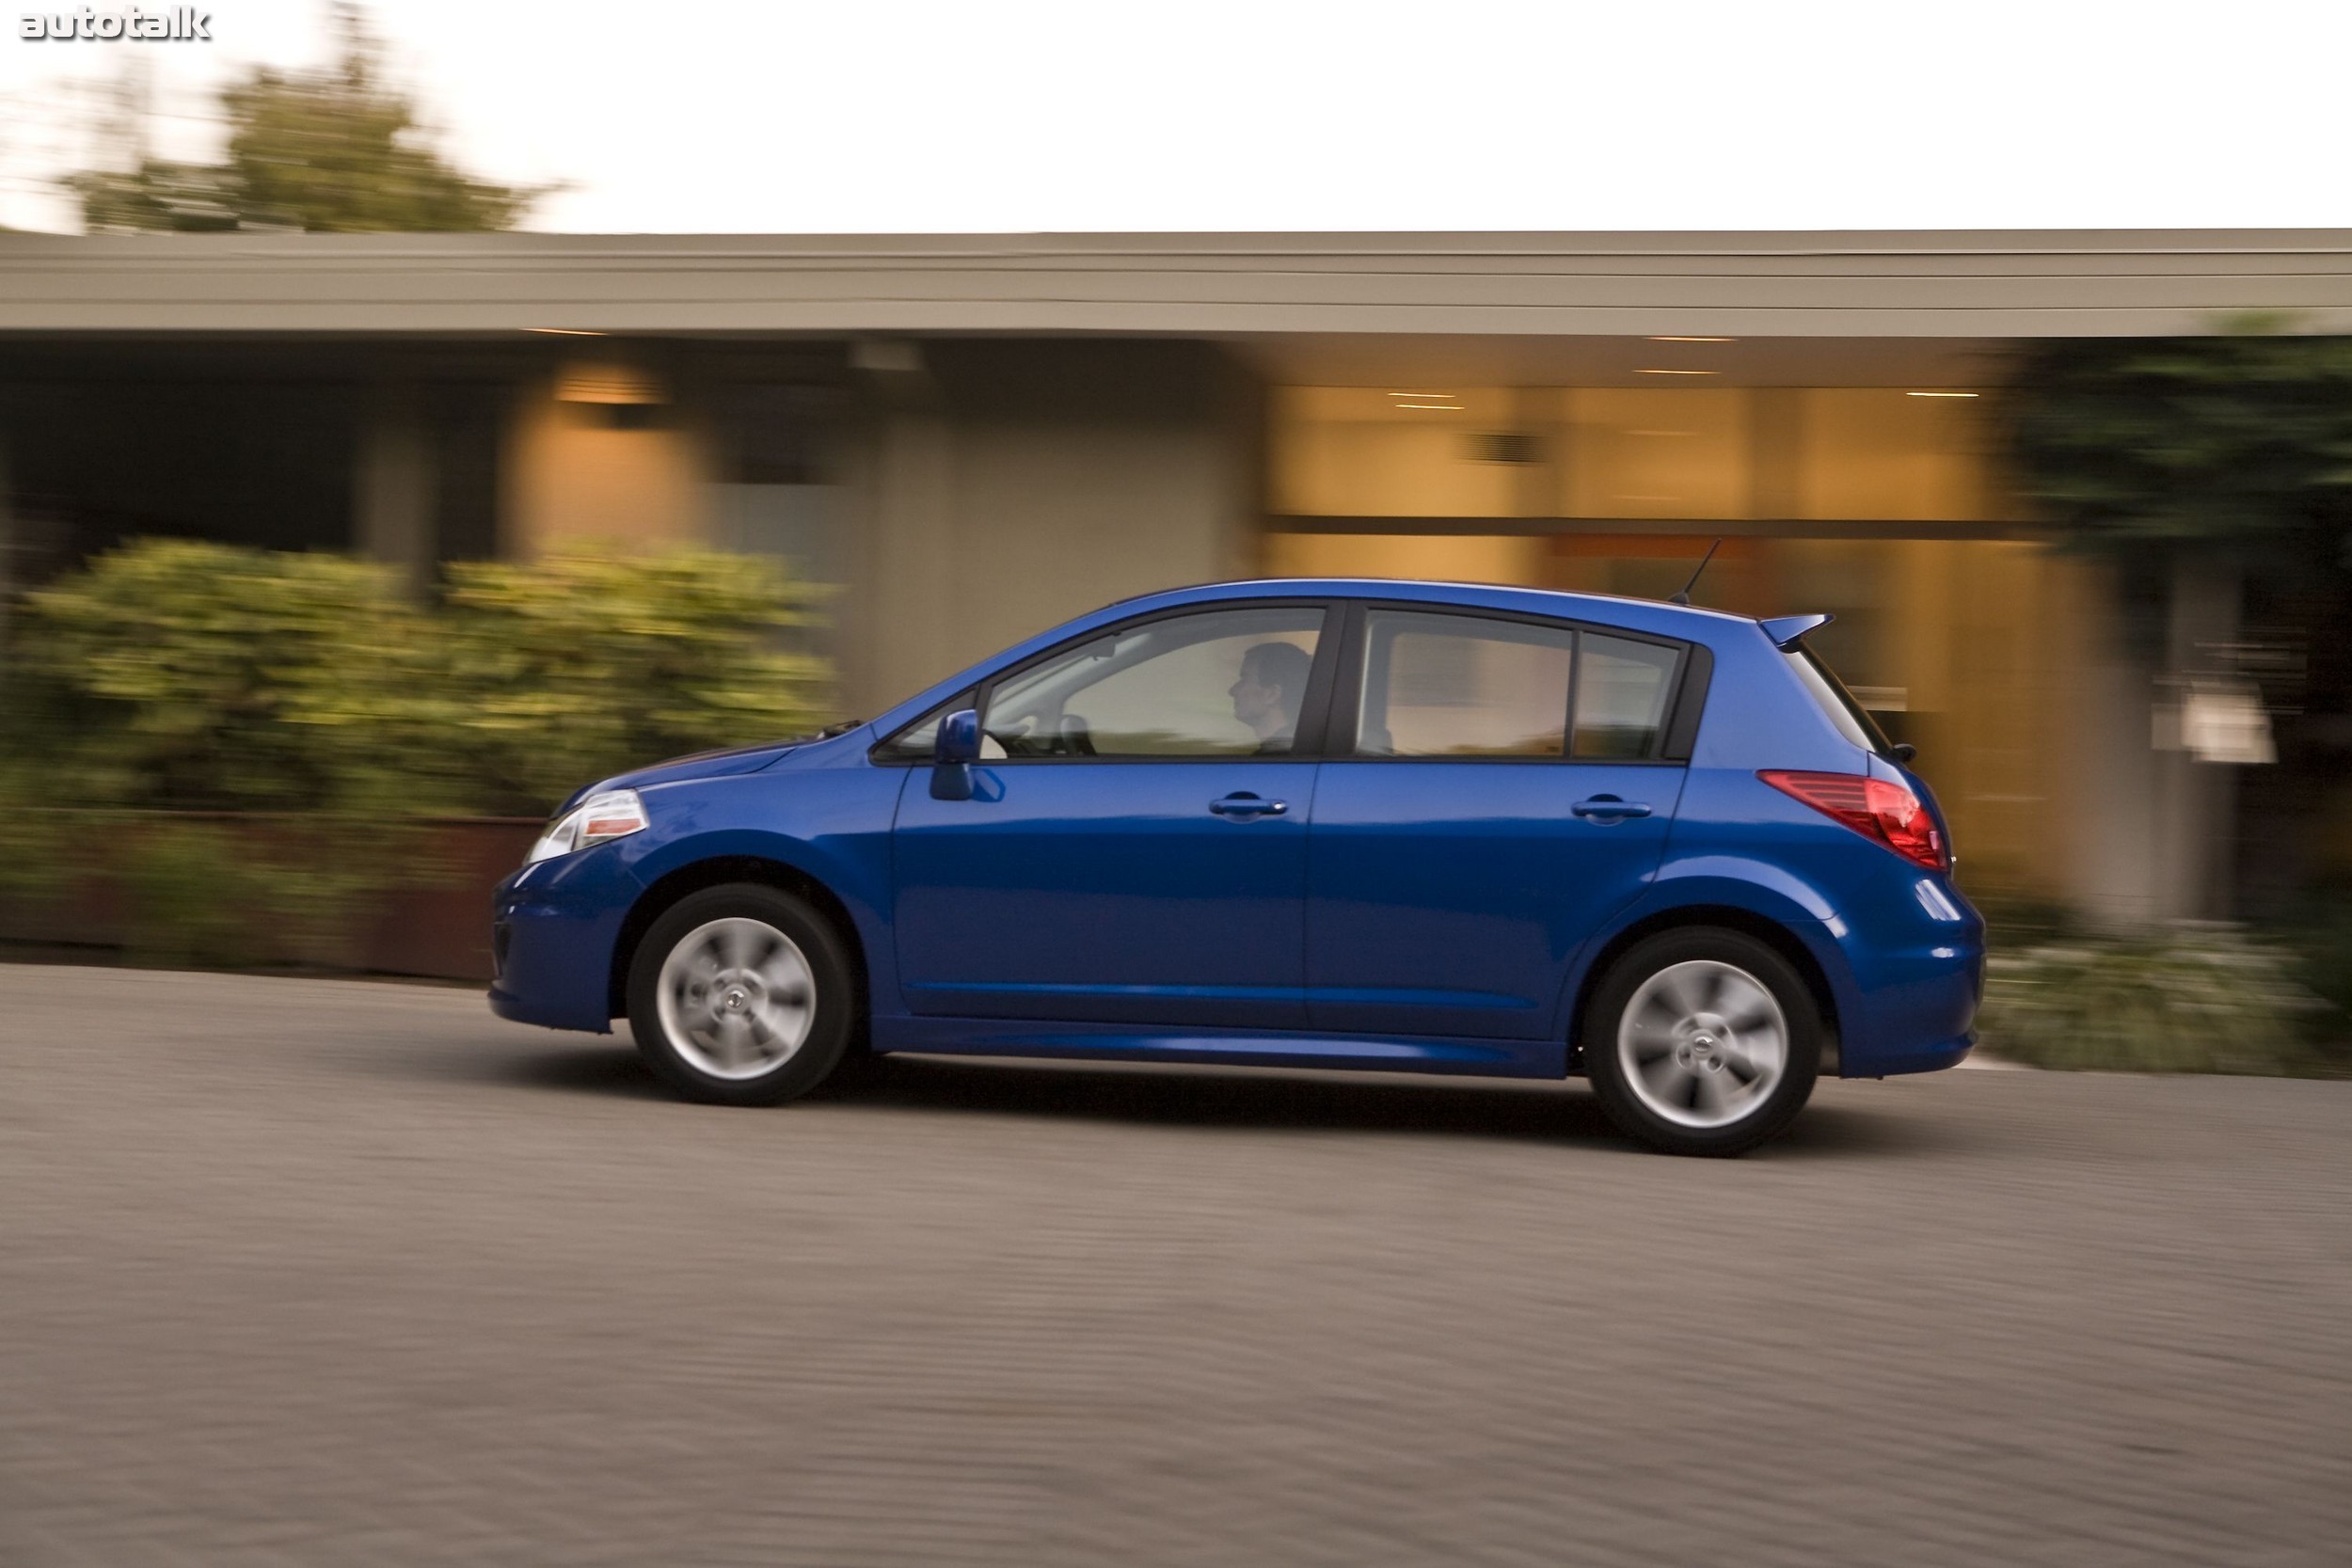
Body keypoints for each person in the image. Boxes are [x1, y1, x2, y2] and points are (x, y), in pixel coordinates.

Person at [1230, 641, 1312, 753]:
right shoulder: (1297, 752)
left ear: (1272, 694)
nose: (1232, 690)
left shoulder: (1278, 759)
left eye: (1245, 680)